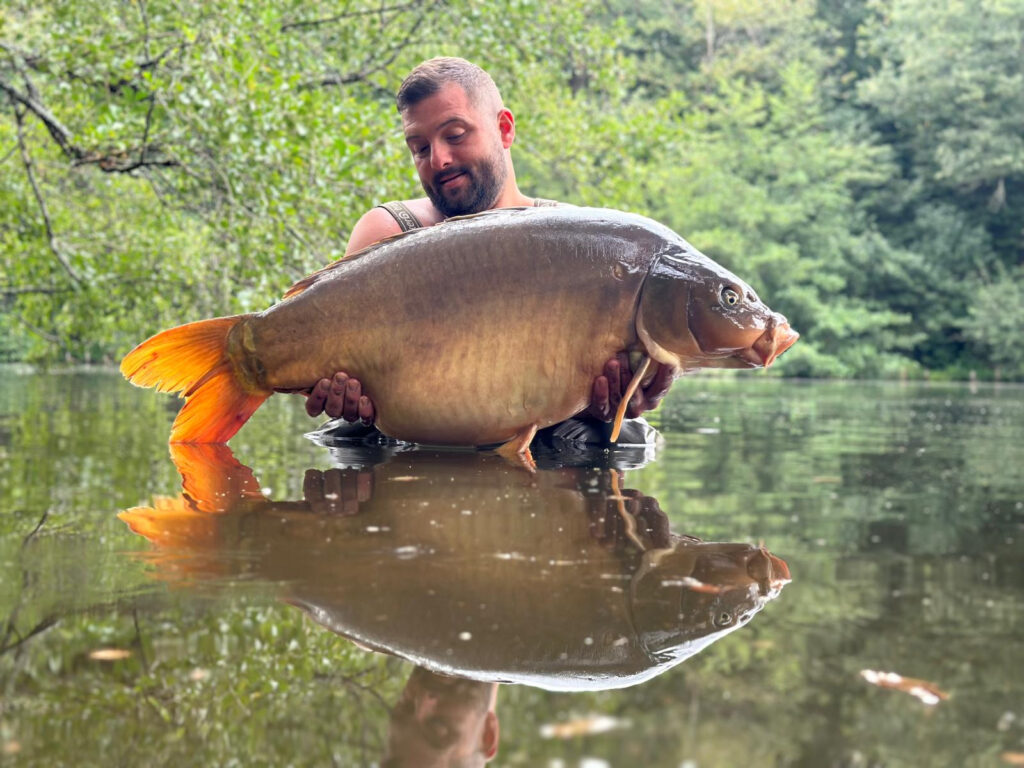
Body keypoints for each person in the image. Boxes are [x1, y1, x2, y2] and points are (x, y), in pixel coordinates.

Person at [304, 57, 675, 446]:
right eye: (420, 147)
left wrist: (612, 399)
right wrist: (344, 396)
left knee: (629, 437)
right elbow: (333, 363)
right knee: (351, 438)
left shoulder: (578, 241)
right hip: (410, 438)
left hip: (543, 447)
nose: (439, 159)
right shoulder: (389, 231)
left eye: (456, 135)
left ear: (504, 129)